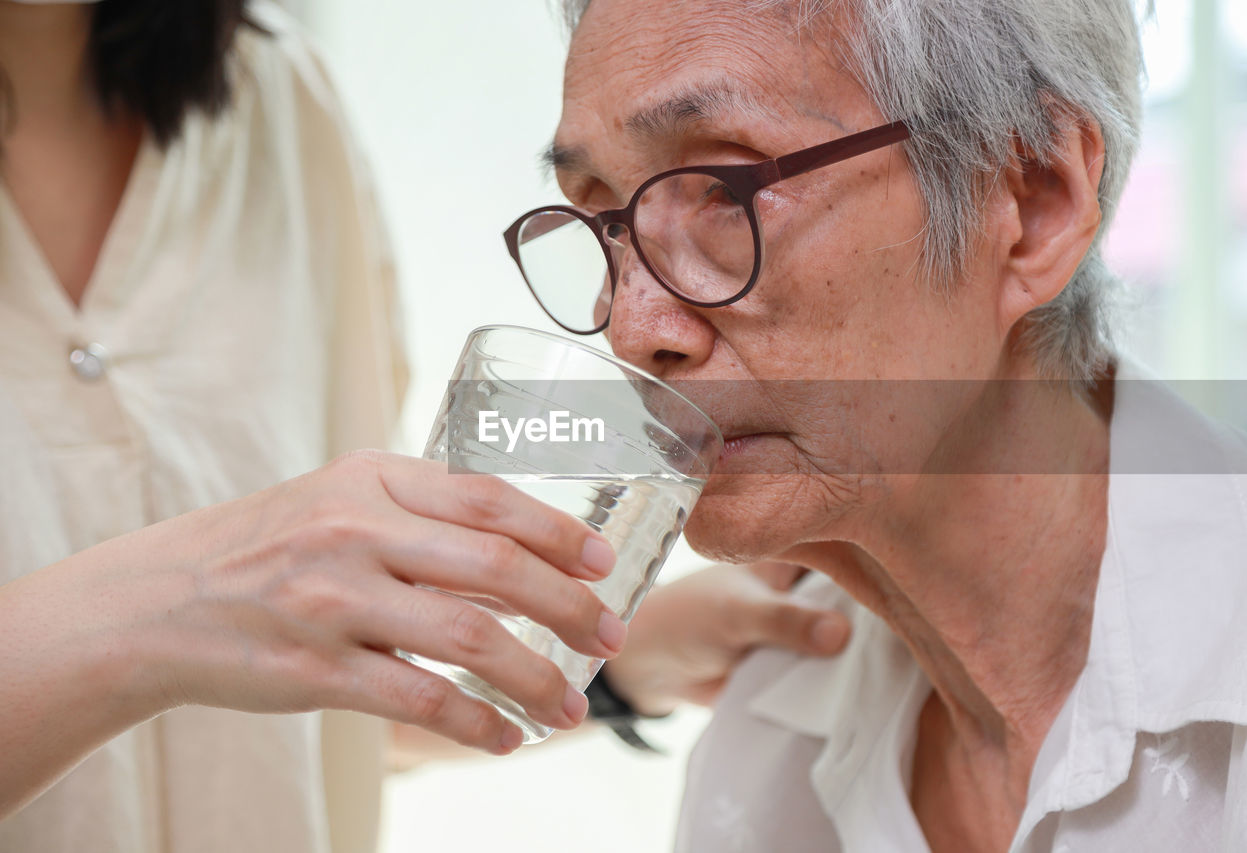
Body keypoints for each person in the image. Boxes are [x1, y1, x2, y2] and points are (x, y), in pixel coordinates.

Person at [0, 1, 852, 850]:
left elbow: (300, 713)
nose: (634, 324)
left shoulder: (285, 114)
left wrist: (600, 665)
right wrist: (167, 606)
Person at [503, 0, 1247, 849]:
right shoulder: (768, 741)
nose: (633, 326)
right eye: (602, 217)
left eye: (725, 192)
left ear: (1034, 199)